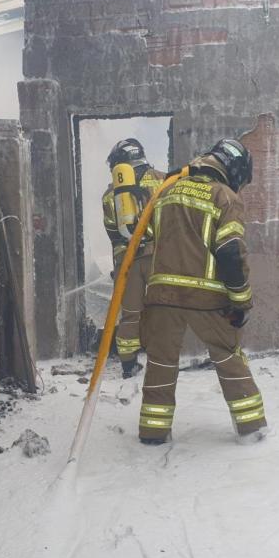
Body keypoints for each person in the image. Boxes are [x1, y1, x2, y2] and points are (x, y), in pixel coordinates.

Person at [138, 138, 268, 445]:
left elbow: (149, 237)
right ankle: (252, 429)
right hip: (206, 298)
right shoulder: (225, 197)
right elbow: (230, 250)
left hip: (161, 296)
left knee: (160, 362)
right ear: (233, 170)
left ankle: (153, 431)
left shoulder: (166, 191)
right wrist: (240, 301)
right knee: (228, 356)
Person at [101, 138, 163, 378]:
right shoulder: (163, 179)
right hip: (159, 257)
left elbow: (112, 232)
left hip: (128, 261)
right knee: (163, 309)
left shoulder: (111, 193)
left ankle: (128, 365)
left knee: (130, 313)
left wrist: (121, 262)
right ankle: (162, 360)